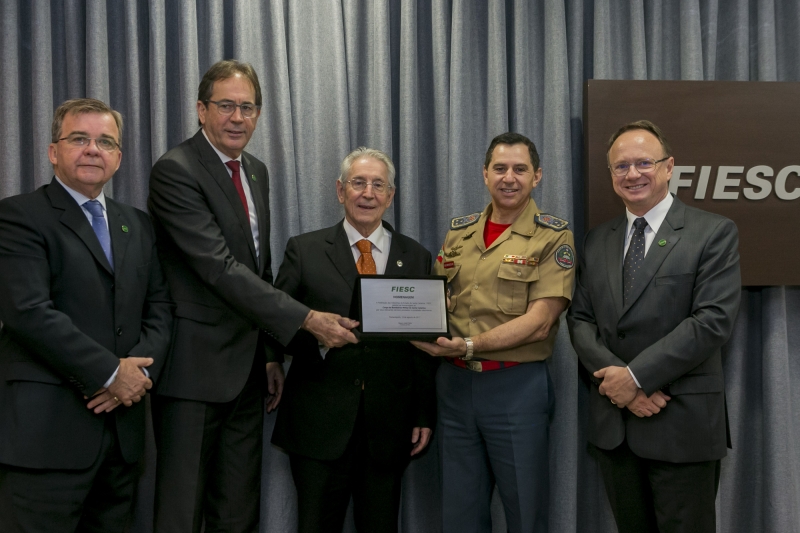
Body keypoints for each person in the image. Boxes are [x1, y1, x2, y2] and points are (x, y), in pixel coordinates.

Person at [147, 60, 358, 532]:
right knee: (181, 511)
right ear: (201, 110)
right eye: (226, 106)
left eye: (248, 107)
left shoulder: (255, 171)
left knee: (238, 511)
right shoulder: (175, 170)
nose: (237, 117)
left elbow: (259, 270)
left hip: (246, 373)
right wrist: (306, 319)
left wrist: (269, 355)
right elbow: (218, 268)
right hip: (193, 371)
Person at [0, 98, 173, 532]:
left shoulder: (139, 224)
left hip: (122, 438)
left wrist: (135, 377)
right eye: (79, 138)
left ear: (118, 157)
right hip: (46, 438)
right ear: (52, 151)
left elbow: (160, 309)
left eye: (106, 142)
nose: (93, 149)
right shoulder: (18, 216)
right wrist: (112, 374)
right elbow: (28, 312)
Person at [567, 120, 741, 533]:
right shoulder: (596, 240)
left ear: (669, 167)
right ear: (611, 174)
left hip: (682, 424)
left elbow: (712, 321)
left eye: (644, 163)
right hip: (616, 427)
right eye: (621, 166)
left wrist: (635, 378)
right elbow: (580, 320)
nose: (633, 174)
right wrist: (621, 387)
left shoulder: (713, 232)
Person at [413, 132, 575, 533]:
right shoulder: (459, 233)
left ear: (537, 176)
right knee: (460, 515)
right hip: (454, 387)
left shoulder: (553, 236)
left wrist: (469, 345)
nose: (509, 177)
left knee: (525, 512)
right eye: (499, 168)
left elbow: (541, 321)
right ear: (485, 174)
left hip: (515, 386)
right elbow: (436, 301)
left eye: (520, 169)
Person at [270, 147, 438, 533]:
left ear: (391, 196)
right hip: (318, 425)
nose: (368, 193)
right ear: (340, 190)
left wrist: (423, 413)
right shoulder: (304, 250)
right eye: (358, 183)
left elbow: (424, 345)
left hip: (388, 427)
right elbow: (275, 323)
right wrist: (318, 337)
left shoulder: (415, 255)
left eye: (378, 185)